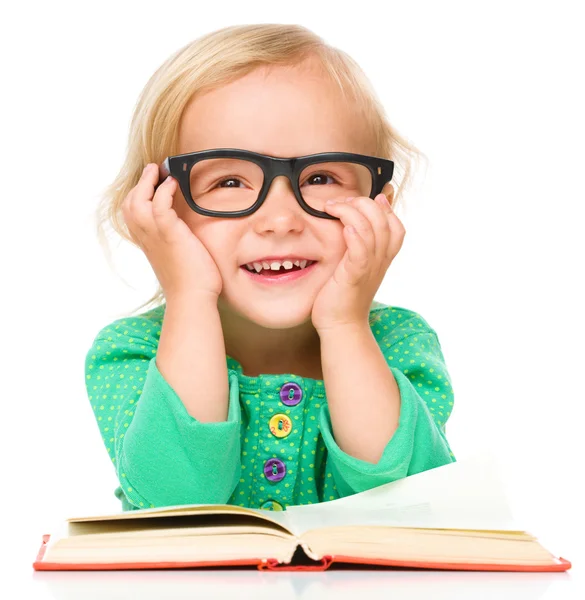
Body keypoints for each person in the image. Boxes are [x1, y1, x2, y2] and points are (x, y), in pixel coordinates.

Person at [85, 23, 456, 512]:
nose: (280, 220)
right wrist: (189, 298)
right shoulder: (130, 353)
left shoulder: (400, 343)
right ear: (160, 207)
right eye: (230, 181)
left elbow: (409, 507)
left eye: (321, 176)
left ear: (378, 207)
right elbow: (175, 503)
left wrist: (345, 325)